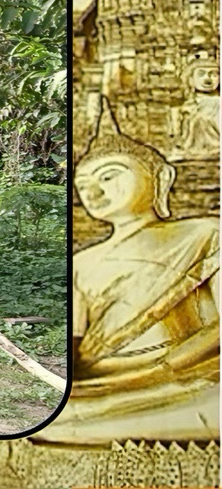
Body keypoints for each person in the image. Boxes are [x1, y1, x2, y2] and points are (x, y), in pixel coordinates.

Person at [37, 101, 218, 444]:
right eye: (84, 184)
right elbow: (77, 345)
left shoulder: (205, 234)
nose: (94, 192)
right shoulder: (84, 261)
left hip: (185, 376)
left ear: (161, 177)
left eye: (109, 175)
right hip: (107, 382)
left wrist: (162, 369)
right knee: (61, 423)